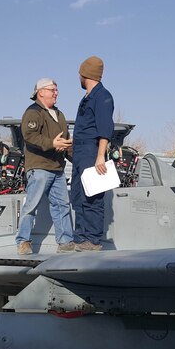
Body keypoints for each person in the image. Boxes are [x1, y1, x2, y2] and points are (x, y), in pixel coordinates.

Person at [15, 77, 76, 255]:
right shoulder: (33, 112)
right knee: (31, 205)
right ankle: (23, 241)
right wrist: (52, 143)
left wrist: (80, 161)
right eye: (52, 90)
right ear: (40, 92)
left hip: (57, 169)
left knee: (62, 205)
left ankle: (65, 242)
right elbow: (30, 136)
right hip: (39, 168)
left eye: (57, 90)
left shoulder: (59, 114)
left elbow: (65, 143)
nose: (56, 93)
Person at [70, 56, 114, 251]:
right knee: (78, 196)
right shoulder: (87, 97)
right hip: (80, 152)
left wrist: (100, 156)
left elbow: (105, 129)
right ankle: (80, 237)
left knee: (92, 197)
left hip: (92, 151)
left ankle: (93, 240)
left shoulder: (103, 96)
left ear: (85, 74)